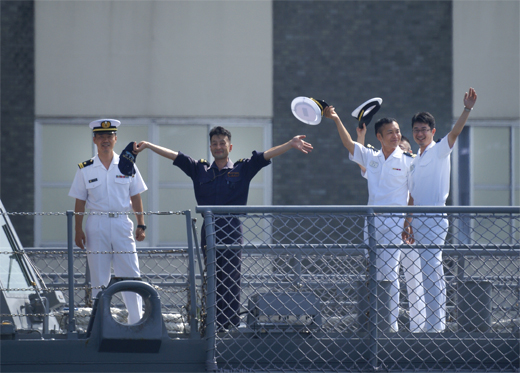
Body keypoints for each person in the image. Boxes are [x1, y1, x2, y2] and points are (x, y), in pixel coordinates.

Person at [133, 126, 313, 330]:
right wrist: (148, 145)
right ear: (210, 147)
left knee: (231, 279)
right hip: (208, 230)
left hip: (232, 229)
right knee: (211, 279)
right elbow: (176, 157)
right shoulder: (199, 169)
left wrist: (290, 144)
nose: (218, 147)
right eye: (215, 144)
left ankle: (230, 326)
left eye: (222, 143)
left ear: (230, 146)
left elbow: (263, 157)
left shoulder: (241, 169)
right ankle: (212, 325)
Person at [325, 106, 425, 332]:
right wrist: (336, 119)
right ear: (379, 136)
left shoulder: (410, 160)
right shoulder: (371, 157)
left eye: (397, 131)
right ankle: (381, 323)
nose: (396, 135)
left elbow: (414, 196)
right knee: (377, 274)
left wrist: (407, 224)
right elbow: (349, 144)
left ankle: (390, 328)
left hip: (395, 224)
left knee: (391, 275)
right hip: (371, 224)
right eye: (390, 132)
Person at [405, 87, 478, 332]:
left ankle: (436, 325)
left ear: (432, 131)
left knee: (432, 269)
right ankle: (427, 323)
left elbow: (455, 133)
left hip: (435, 218)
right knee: (423, 272)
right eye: (416, 129)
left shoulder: (439, 150)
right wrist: (408, 221)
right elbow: (412, 196)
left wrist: (467, 108)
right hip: (417, 223)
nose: (419, 133)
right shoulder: (415, 159)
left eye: (424, 129)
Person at [68, 119, 147, 324]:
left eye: (109, 136)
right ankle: (100, 324)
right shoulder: (85, 169)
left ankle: (136, 322)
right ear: (94, 139)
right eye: (101, 136)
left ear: (115, 138)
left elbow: (136, 196)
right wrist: (78, 230)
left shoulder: (127, 165)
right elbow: (80, 201)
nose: (105, 140)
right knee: (99, 277)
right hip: (97, 224)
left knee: (130, 273)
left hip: (122, 222)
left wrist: (141, 223)